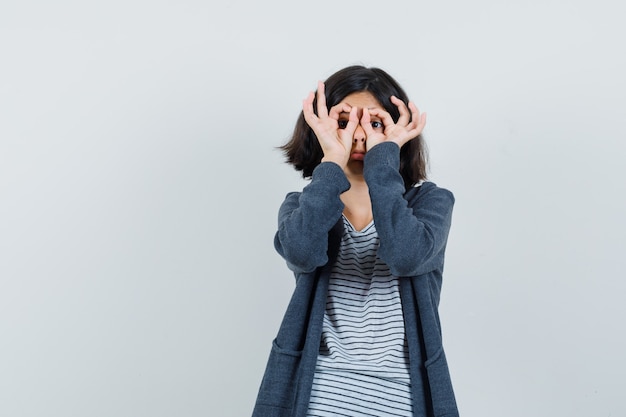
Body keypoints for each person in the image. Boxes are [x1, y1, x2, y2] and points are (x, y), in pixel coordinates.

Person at [252, 65, 459, 417]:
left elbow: (406, 255)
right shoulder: (303, 206)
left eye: (375, 123)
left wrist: (384, 161)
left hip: (403, 401)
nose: (360, 136)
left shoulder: (430, 203)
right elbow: (301, 252)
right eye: (344, 122)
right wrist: (332, 157)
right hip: (316, 399)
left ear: (399, 130)